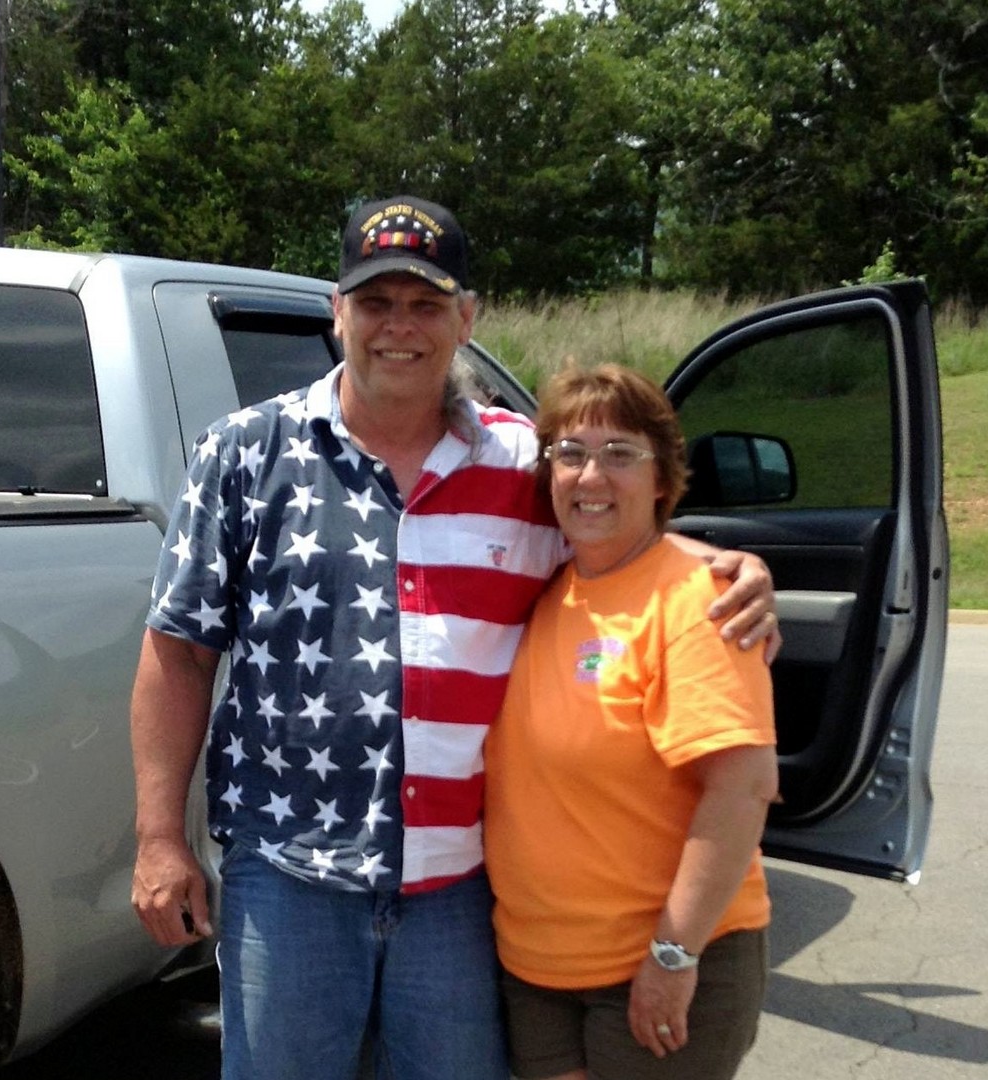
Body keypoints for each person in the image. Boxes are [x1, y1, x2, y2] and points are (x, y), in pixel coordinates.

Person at [129, 195, 778, 1080]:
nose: (400, 326)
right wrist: (159, 838)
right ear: (337, 312)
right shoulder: (245, 454)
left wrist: (724, 566)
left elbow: (617, 539)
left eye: (426, 304)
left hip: (460, 891)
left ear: (466, 319)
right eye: (376, 302)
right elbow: (178, 652)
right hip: (288, 877)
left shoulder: (523, 464)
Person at [484, 363, 779, 1080]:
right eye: (571, 454)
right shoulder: (550, 589)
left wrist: (673, 956)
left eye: (620, 453)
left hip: (654, 966)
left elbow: (742, 787)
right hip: (536, 971)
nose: (591, 476)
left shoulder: (697, 601)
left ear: (662, 478)